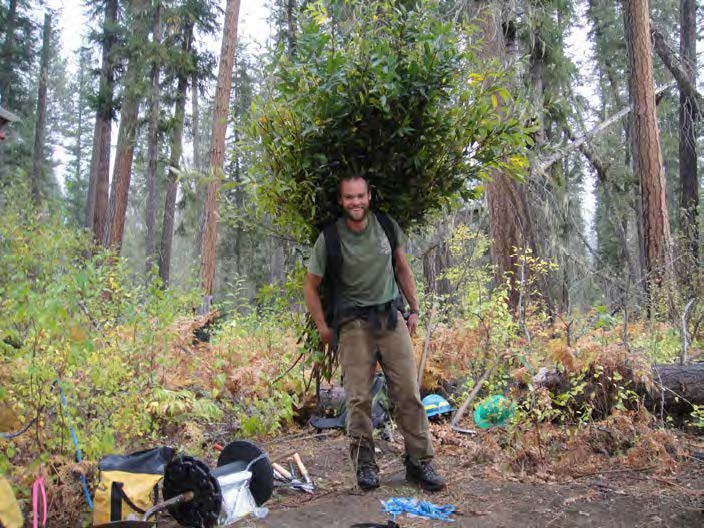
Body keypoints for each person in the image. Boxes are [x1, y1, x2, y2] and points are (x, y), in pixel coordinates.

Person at [304, 175, 445, 492]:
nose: (355, 202)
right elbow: (310, 286)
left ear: (369, 197)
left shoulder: (386, 225)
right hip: (353, 324)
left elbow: (402, 267)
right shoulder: (329, 238)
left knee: (408, 392)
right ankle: (365, 466)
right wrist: (323, 327)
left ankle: (420, 462)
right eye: (349, 198)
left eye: (360, 196)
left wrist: (413, 309)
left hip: (390, 317)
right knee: (358, 399)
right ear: (341, 201)